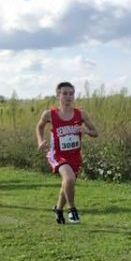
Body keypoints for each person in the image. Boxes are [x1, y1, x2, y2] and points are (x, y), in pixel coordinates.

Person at [35, 82, 99, 224]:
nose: (68, 96)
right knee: (69, 179)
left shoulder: (81, 114)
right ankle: (72, 209)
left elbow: (95, 133)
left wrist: (86, 131)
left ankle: (58, 209)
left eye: (71, 93)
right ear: (58, 95)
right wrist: (40, 141)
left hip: (75, 155)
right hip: (56, 154)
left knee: (67, 183)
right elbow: (39, 127)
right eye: (65, 93)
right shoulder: (49, 114)